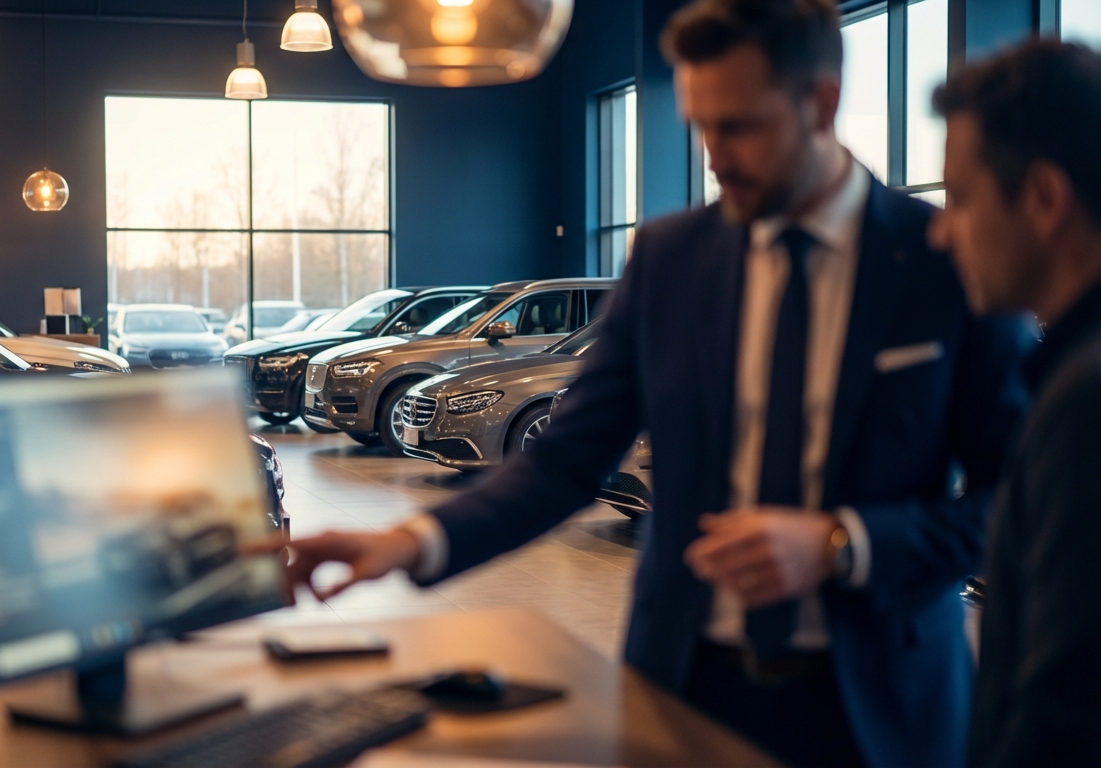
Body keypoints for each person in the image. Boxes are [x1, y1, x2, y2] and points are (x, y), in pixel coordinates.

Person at [284, 0, 1033, 765]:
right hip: (683, 688)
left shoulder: (945, 259)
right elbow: (564, 461)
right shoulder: (670, 259)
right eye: (700, 126)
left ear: (822, 102)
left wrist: (846, 544)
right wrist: (411, 543)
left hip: (886, 708)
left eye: (738, 126)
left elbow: (1015, 500)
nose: (715, 157)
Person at [929, 40, 1101, 767]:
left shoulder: (1084, 403)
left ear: (1044, 199)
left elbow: (1065, 713)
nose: (941, 232)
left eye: (961, 199)